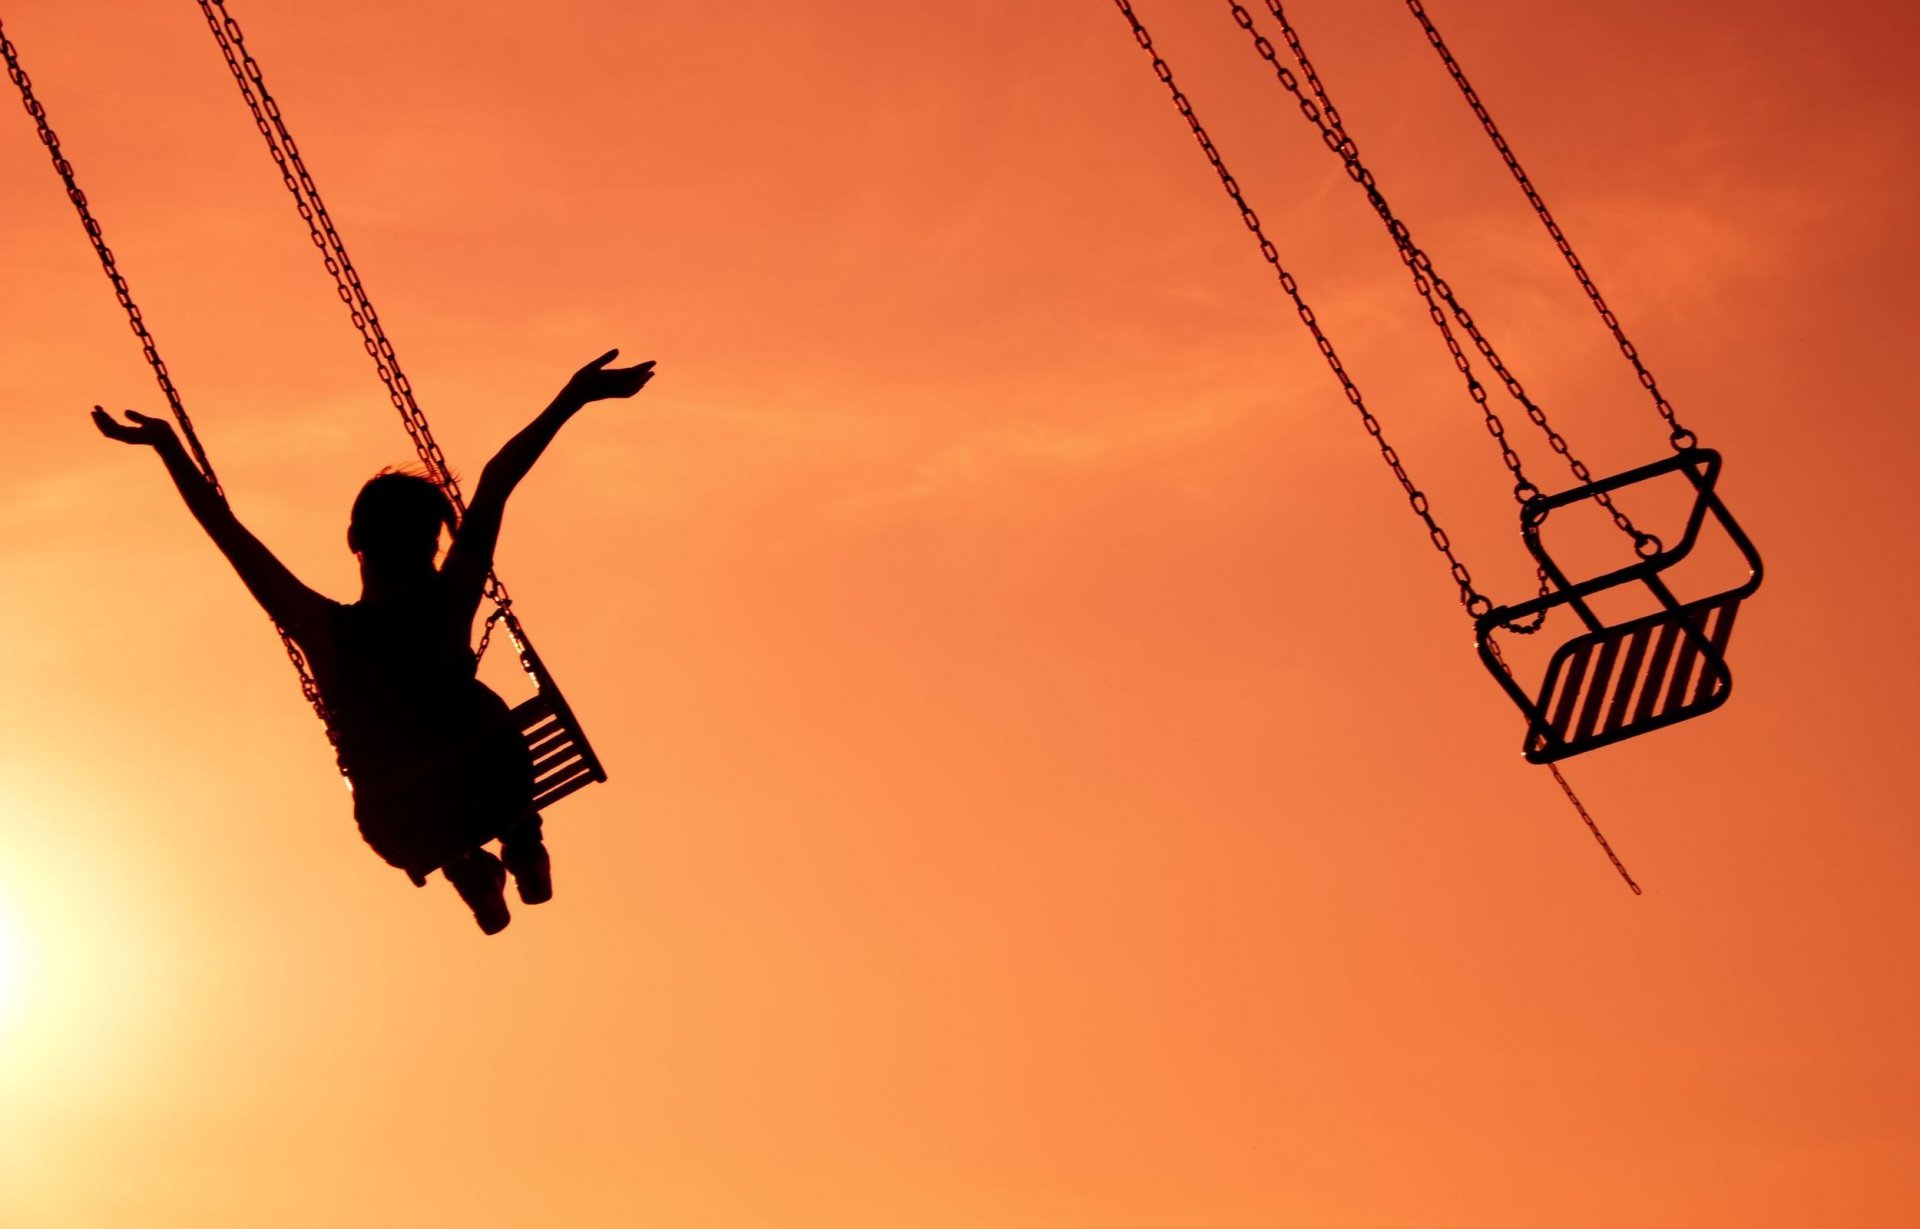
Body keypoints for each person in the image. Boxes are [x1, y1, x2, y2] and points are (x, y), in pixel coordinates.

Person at [92, 349, 655, 933]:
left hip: (405, 825)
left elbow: (229, 535)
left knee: (397, 765)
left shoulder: (323, 629)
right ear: (434, 545)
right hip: (495, 782)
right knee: (476, 713)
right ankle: (522, 841)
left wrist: (168, 450)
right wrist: (571, 398)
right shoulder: (450, 597)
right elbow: (496, 481)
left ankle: (470, 870)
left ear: (352, 537)